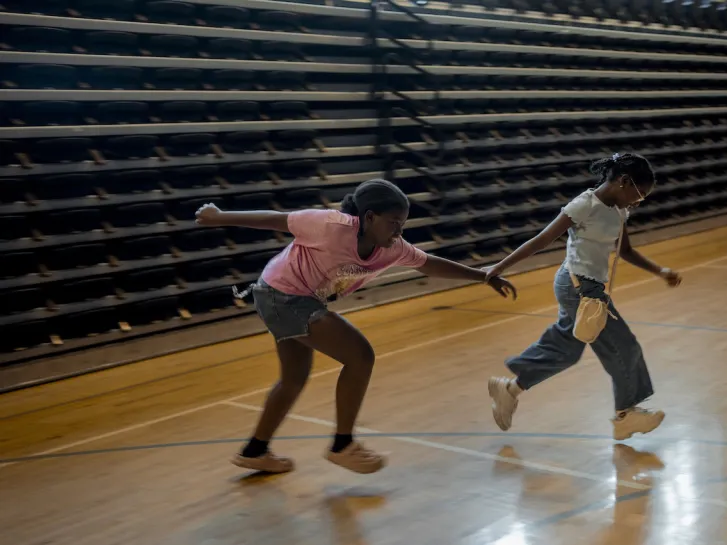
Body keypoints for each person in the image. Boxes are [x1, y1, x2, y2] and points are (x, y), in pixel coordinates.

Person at [194, 179, 517, 475]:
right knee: (360, 355)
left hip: (295, 298)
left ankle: (255, 450)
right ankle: (343, 444)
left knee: (293, 379)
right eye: (394, 222)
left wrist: (483, 275)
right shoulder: (330, 226)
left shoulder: (393, 247)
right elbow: (277, 219)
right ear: (370, 217)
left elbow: (429, 263)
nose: (399, 230)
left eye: (402, 224)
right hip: (281, 294)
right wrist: (219, 216)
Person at [483, 153, 681, 440]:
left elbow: (624, 251)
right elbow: (542, 239)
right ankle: (626, 414)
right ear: (623, 182)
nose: (638, 202)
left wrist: (660, 271)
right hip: (578, 287)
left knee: (567, 350)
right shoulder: (584, 205)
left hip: (591, 289)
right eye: (639, 195)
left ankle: (509, 390)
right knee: (624, 346)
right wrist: (500, 267)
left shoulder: (620, 210)